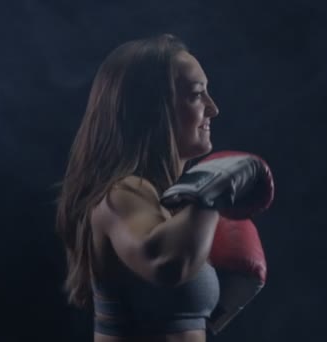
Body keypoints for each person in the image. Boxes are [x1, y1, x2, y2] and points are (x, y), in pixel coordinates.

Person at [55, 33, 274, 342]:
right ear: (150, 108)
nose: (213, 109)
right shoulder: (122, 195)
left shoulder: (174, 206)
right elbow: (165, 263)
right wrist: (210, 191)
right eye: (197, 95)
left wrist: (222, 305)